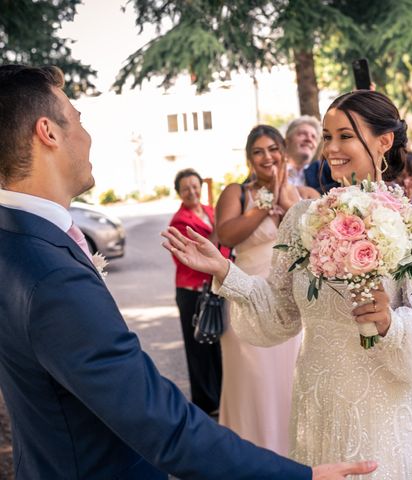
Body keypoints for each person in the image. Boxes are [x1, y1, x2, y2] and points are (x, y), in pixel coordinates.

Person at [0, 64, 374, 480]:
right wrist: (300, 476)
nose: (87, 134)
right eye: (79, 118)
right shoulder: (52, 275)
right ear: (48, 132)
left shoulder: (14, 241)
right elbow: (160, 421)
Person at [163, 90, 412, 479]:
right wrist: (225, 273)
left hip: (381, 409)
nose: (330, 147)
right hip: (315, 402)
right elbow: (281, 315)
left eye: (345, 135)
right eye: (327, 135)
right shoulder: (303, 217)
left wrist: (389, 323)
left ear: (384, 141)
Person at [214, 125, 318, 455]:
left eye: (273, 149)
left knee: (292, 381)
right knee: (253, 383)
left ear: (284, 153)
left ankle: (296, 458)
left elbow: (316, 242)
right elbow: (226, 236)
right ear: (249, 159)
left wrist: (286, 202)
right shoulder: (237, 192)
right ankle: (252, 460)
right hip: (247, 300)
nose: (267, 157)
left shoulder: (307, 195)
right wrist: (263, 204)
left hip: (293, 302)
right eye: (258, 151)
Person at [169, 168, 228, 416]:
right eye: (186, 188)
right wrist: (219, 236)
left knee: (217, 343)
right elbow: (201, 254)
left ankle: (221, 397)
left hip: (214, 286)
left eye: (195, 186)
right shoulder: (180, 221)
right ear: (179, 193)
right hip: (192, 291)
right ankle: (205, 401)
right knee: (199, 348)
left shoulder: (210, 211)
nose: (192, 191)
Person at [285, 116, 340, 193]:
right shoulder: (273, 170)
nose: (309, 139)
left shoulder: (324, 169)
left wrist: (312, 194)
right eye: (302, 134)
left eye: (313, 137)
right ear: (288, 140)